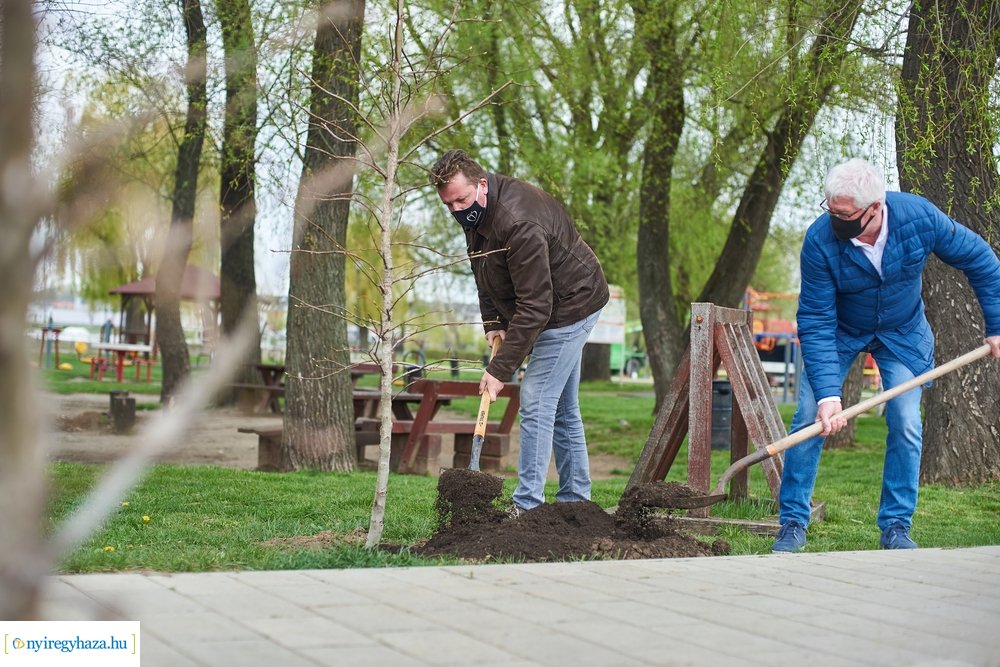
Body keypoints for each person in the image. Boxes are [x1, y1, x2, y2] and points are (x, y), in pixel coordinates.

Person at [772, 158, 1000, 553]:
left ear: (875, 207)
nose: (834, 219)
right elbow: (815, 317)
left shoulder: (918, 218)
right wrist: (829, 394)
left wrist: (997, 325)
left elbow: (980, 258)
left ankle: (895, 526)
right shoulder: (820, 240)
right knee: (810, 414)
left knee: (907, 420)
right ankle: (792, 522)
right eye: (830, 208)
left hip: (903, 332)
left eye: (844, 213)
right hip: (840, 331)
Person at [430, 149, 610, 514]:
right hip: (547, 305)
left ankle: (528, 505)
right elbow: (484, 273)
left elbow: (536, 306)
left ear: (481, 185)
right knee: (561, 406)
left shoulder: (517, 221)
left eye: (461, 200)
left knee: (537, 398)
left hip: (571, 305)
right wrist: (494, 322)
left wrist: (499, 371)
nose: (456, 210)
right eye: (449, 204)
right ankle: (576, 502)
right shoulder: (477, 215)